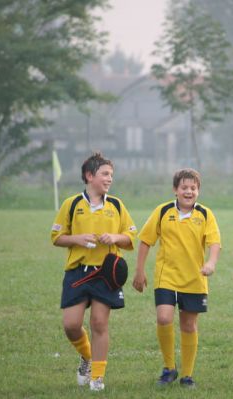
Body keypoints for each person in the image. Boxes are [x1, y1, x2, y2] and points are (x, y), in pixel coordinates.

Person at [51, 152, 137, 391]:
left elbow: (130, 236)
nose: (110, 179)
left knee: (99, 323)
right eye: (105, 174)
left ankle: (97, 378)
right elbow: (56, 237)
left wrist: (116, 237)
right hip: (78, 272)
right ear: (90, 176)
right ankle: (87, 357)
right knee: (71, 324)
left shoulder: (117, 205)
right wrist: (76, 239)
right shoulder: (72, 204)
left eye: (111, 174)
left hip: (105, 273)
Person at [132, 168, 221, 388]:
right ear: (175, 190)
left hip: (194, 279)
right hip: (166, 277)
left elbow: (214, 243)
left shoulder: (205, 214)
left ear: (198, 191)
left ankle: (187, 375)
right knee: (163, 318)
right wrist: (139, 271)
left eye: (193, 188)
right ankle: (169, 368)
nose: (188, 191)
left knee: (189, 325)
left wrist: (210, 263)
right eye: (184, 187)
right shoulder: (162, 212)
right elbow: (145, 241)